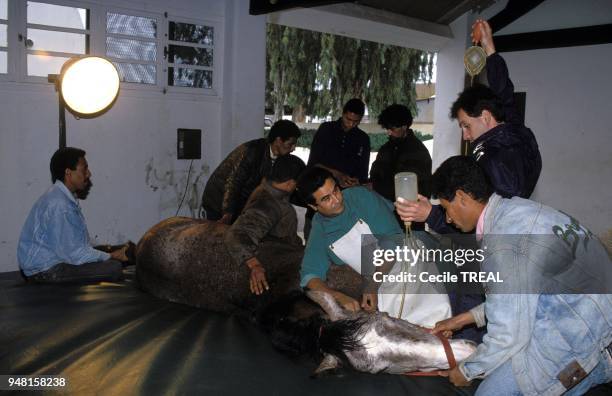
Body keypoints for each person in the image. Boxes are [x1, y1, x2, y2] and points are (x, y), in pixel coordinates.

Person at [427, 156, 612, 395]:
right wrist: (463, 319)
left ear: (462, 197)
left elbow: (508, 336)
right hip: (595, 314)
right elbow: (518, 297)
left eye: (446, 208)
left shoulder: (503, 244)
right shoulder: (521, 211)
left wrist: (467, 371)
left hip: (588, 340)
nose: (448, 218)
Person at [395, 19, 542, 233]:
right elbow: (505, 92)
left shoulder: (497, 161)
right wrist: (489, 47)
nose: (465, 136)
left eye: (466, 126)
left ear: (485, 116)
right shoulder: (514, 132)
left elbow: (477, 222)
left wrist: (432, 214)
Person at [296, 166, 452, 328]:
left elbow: (392, 243)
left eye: (336, 190)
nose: (336, 199)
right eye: (326, 199)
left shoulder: (360, 197)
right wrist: (336, 296)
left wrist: (371, 285)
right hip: (379, 283)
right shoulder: (320, 228)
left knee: (435, 320)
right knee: (401, 332)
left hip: (408, 259)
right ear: (314, 207)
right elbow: (309, 276)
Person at [18, 147, 129, 283]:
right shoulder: (60, 204)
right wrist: (110, 255)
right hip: (45, 271)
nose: (89, 173)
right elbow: (75, 255)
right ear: (68, 173)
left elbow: (79, 242)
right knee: (114, 268)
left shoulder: (60, 196)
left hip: (55, 262)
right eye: (84, 169)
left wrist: (109, 250)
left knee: (111, 255)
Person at [224, 155, 306, 295]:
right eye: (297, 184)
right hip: (278, 265)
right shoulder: (268, 204)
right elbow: (236, 235)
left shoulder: (267, 187)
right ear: (290, 183)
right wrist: (254, 265)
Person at [201, 119, 301, 224]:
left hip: (242, 204)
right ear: (278, 140)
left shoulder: (284, 159)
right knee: (220, 237)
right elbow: (234, 183)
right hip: (219, 201)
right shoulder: (253, 151)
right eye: (291, 144)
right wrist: (228, 213)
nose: (293, 148)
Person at [305, 98, 371, 238]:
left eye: (356, 121)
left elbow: (362, 173)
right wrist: (336, 174)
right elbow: (313, 162)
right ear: (342, 113)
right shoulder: (326, 129)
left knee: (342, 238)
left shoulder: (363, 139)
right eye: (348, 119)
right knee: (315, 235)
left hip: (347, 198)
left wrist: (355, 182)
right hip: (319, 191)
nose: (351, 124)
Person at [369, 104, 432, 230]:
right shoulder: (386, 148)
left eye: (392, 128)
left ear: (404, 126)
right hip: (385, 214)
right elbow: (375, 174)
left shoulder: (417, 151)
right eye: (387, 128)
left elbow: (406, 188)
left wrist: (377, 186)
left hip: (409, 217)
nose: (388, 132)